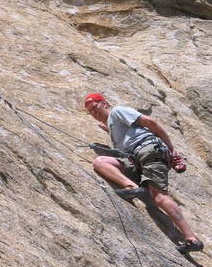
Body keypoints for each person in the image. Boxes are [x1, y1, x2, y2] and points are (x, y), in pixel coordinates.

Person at [84, 93, 203, 253]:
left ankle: (192, 239)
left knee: (160, 197)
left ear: (104, 103)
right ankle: (132, 187)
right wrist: (108, 129)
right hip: (138, 160)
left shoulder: (118, 111)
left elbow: (151, 122)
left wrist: (171, 148)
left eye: (95, 107)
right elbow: (126, 137)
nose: (94, 113)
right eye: (90, 112)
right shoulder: (112, 125)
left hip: (149, 151)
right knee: (100, 162)